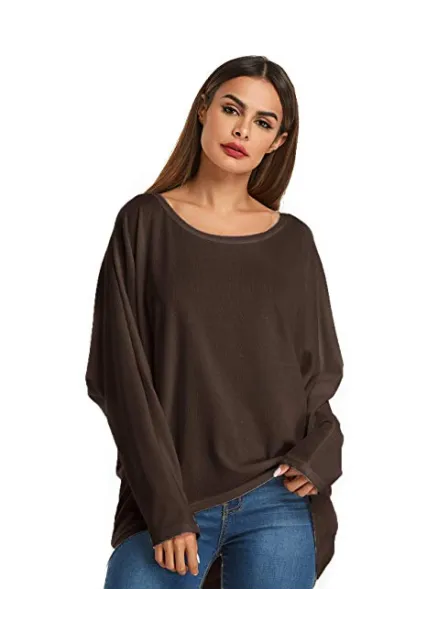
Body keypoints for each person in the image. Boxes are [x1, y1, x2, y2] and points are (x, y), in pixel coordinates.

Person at [85, 54, 344, 591]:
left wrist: (322, 450)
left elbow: (316, 376)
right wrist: (165, 507)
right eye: (232, 109)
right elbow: (119, 378)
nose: (242, 130)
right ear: (203, 109)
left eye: (263, 122)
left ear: (277, 141)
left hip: (277, 497)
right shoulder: (143, 223)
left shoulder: (294, 242)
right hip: (171, 498)